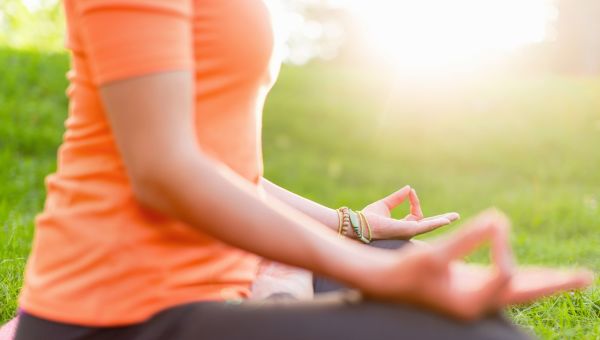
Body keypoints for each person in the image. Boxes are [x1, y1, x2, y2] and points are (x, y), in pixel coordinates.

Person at [7, 1, 592, 339]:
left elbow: (218, 161)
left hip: (220, 275)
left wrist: (350, 228)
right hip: (116, 315)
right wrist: (351, 269)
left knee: (475, 312)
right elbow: (162, 166)